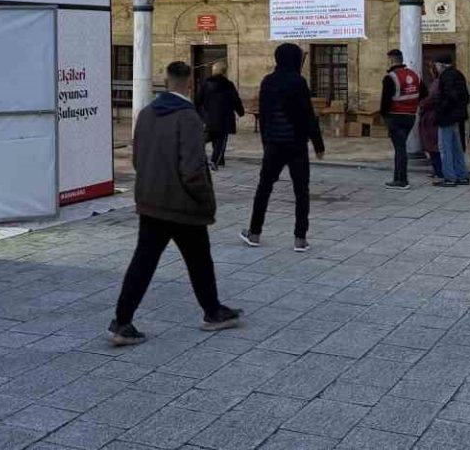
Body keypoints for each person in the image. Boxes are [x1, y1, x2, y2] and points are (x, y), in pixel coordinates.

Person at [109, 61, 243, 345]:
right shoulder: (188, 118)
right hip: (182, 205)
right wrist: (206, 200)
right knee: (199, 259)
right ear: (190, 84)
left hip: (151, 200)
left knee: (144, 262)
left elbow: (137, 158)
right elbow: (193, 169)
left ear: (166, 81)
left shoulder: (146, 114)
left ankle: (121, 322)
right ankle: (212, 312)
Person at [241, 43, 324, 252]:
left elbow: (264, 116)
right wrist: (318, 144)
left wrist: (266, 142)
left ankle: (254, 233)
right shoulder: (298, 82)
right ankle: (300, 239)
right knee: (301, 191)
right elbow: (307, 115)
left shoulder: (268, 81)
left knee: (264, 188)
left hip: (274, 144)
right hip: (296, 144)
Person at [380, 49, 425, 189]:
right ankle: (398, 178)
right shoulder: (414, 75)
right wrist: (413, 105)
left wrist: (383, 116)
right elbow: (424, 94)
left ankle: (401, 180)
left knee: (400, 149)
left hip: (395, 117)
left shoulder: (390, 78)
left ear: (391, 60)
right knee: (401, 147)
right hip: (410, 116)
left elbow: (385, 101)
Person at [195, 61, 245, 169]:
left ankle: (218, 160)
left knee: (210, 137)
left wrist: (200, 115)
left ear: (213, 71)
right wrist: (241, 112)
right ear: (224, 72)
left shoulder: (205, 84)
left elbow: (198, 100)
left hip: (209, 118)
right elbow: (235, 100)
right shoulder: (228, 85)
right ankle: (215, 160)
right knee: (220, 141)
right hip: (224, 118)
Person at [432, 56, 470, 186]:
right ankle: (462, 175)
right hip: (457, 116)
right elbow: (465, 97)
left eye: (436, 65)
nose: (436, 68)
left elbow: (449, 97)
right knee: (456, 147)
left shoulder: (445, 77)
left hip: (447, 116)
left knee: (445, 147)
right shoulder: (459, 74)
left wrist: (439, 111)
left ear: (441, 65)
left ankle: (449, 177)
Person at [419, 70, 443, 181]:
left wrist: (422, 103)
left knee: (433, 145)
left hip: (432, 117)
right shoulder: (437, 82)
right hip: (432, 116)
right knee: (433, 146)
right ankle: (437, 170)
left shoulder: (437, 83)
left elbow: (431, 99)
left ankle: (439, 171)